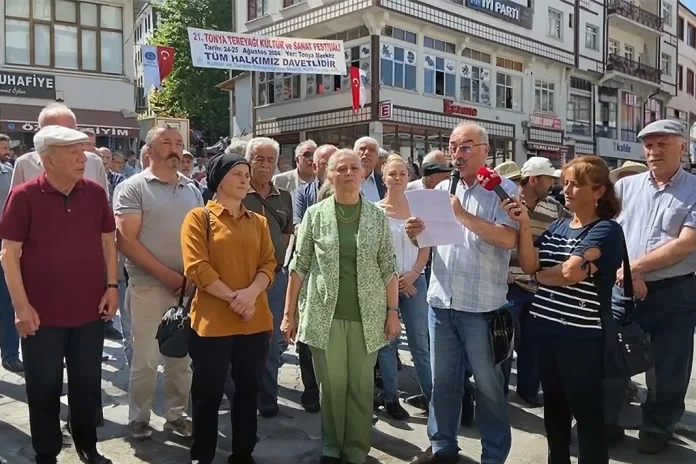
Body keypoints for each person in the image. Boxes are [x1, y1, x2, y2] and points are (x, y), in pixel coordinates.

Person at [0, 126, 118, 464]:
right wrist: (21, 308)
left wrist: (112, 286)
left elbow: (108, 243)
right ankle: (46, 453)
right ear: (47, 159)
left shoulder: (95, 193)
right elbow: (9, 254)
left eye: (83, 151)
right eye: (74, 152)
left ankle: (87, 445)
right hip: (41, 316)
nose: (84, 158)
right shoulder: (23, 196)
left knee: (87, 386)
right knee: (43, 388)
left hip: (90, 311)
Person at [406, 122, 517, 464]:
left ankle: (494, 454)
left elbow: (508, 239)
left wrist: (462, 215)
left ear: (486, 150)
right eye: (454, 147)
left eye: (467, 146)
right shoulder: (441, 190)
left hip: (482, 306)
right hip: (441, 301)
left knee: (489, 387)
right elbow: (429, 244)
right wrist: (415, 234)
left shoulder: (503, 189)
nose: (458, 153)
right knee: (443, 383)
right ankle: (443, 447)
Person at [281, 148, 400, 464]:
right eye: (341, 169)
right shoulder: (315, 215)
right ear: (329, 176)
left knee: (360, 387)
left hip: (368, 315)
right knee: (331, 387)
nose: (349, 173)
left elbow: (388, 265)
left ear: (363, 175)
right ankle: (332, 447)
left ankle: (356, 449)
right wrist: (289, 314)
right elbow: (299, 264)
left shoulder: (376, 216)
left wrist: (392, 312)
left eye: (354, 168)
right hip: (324, 314)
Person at [502, 155, 624, 464]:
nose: (566, 190)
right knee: (554, 412)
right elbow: (529, 263)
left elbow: (571, 273)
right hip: (545, 330)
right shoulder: (557, 226)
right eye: (565, 183)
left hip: (580, 336)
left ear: (598, 192)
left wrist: (542, 276)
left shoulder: (607, 230)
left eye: (576, 185)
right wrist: (525, 225)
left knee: (587, 415)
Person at [606, 119, 696, 454]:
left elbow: (686, 244)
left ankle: (658, 426)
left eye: (662, 144)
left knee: (669, 365)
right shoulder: (627, 188)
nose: (653, 151)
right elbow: (610, 233)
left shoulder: (694, 190)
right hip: (624, 289)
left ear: (682, 147)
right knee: (613, 358)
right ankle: (608, 420)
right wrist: (628, 275)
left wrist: (637, 269)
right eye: (648, 145)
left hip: (675, 291)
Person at [181, 153, 276, 464]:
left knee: (247, 392)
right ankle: (202, 454)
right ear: (219, 179)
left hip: (254, 321)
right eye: (238, 173)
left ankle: (243, 452)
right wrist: (235, 299)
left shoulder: (259, 222)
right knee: (207, 393)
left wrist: (250, 295)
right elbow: (197, 267)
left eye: (246, 173)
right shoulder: (198, 218)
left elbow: (269, 264)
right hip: (213, 323)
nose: (245, 178)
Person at [115, 124, 203, 439]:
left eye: (179, 143)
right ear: (149, 151)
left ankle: (177, 416)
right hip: (149, 288)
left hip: (188, 291)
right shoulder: (133, 187)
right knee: (146, 360)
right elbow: (126, 241)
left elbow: (201, 238)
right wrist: (168, 276)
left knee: (181, 360)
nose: (175, 148)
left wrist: (193, 278)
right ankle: (139, 418)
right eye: (167, 142)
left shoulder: (192, 189)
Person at [502, 157, 570, 406]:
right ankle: (500, 395)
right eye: (549, 179)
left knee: (533, 344)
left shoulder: (555, 208)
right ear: (533, 180)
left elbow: (573, 227)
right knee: (504, 345)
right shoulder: (506, 203)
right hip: (508, 286)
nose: (553, 183)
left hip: (538, 286)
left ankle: (528, 392)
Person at [376, 154, 432, 418]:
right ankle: (390, 398)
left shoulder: (418, 211)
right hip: (385, 283)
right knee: (388, 342)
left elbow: (426, 247)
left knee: (421, 341)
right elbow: (374, 252)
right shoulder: (375, 211)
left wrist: (412, 275)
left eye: (402, 174)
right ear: (383, 177)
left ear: (409, 178)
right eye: (392, 174)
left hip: (414, 282)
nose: (397, 178)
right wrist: (395, 281)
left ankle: (431, 397)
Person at [243, 137, 293, 418]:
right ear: (248, 161)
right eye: (258, 159)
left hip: (274, 279)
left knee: (271, 342)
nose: (264, 165)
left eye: (270, 160)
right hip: (242, 280)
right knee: (240, 341)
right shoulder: (236, 191)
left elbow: (286, 233)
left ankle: (268, 397)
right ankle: (241, 396)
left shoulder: (282, 196)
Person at [291, 143, 338, 413]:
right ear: (315, 166)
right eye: (321, 162)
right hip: (309, 270)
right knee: (307, 334)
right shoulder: (302, 194)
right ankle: (311, 387)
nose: (324, 166)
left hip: (339, 275)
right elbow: (298, 228)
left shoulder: (349, 193)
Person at [10, 104, 109, 195]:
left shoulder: (94, 162)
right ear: (40, 132)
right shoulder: (24, 164)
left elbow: (102, 206)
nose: (65, 138)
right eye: (56, 133)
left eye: (69, 131)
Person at [0, 133, 22, 372]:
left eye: (7, 147)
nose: (6, 151)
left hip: (6, 246)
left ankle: (9, 354)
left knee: (7, 303)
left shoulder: (10, 173)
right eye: (2, 147)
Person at [354, 137, 386, 201]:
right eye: (362, 149)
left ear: (377, 157)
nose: (366, 153)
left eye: (371, 150)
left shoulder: (384, 182)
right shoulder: (345, 179)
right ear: (354, 154)